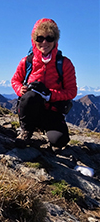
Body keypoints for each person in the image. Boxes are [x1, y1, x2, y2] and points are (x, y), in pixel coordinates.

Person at [11, 18, 77, 148]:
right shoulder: (27, 61)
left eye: (49, 38)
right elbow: (15, 80)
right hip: (32, 109)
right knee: (30, 97)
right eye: (40, 38)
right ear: (34, 40)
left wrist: (50, 95)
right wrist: (20, 89)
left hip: (53, 111)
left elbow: (72, 91)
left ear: (55, 40)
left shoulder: (64, 64)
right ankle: (26, 131)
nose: (44, 42)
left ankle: (48, 129)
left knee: (59, 141)